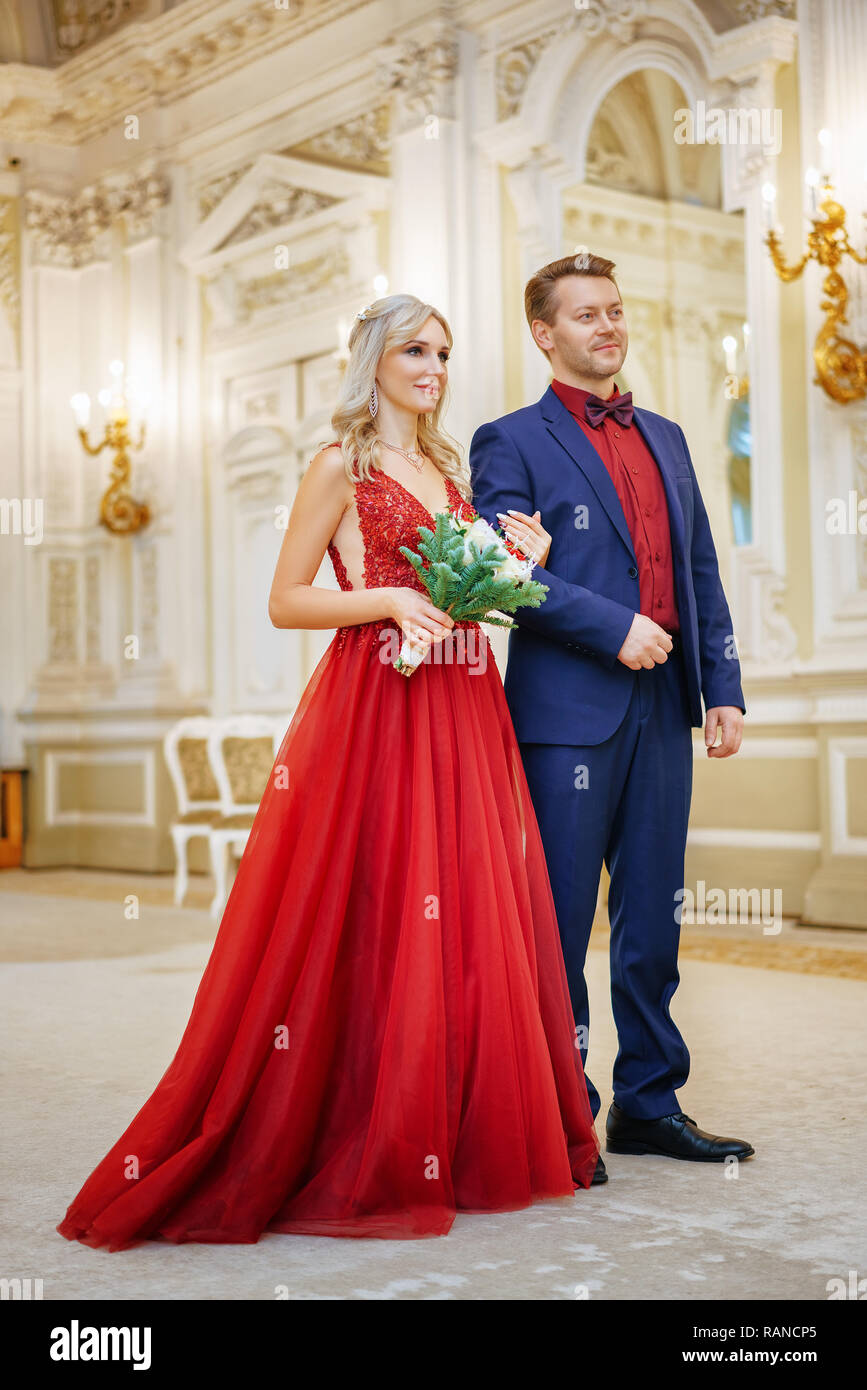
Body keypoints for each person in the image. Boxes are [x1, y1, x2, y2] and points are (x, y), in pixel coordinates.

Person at [56, 293, 602, 1253]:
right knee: (379, 904)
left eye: (441, 350)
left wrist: (518, 563)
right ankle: (365, 1128)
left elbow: (467, 593)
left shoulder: (447, 466)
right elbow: (285, 599)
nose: (432, 366)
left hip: (463, 697)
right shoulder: (335, 467)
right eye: (412, 350)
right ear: (373, 360)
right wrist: (386, 595)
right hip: (378, 703)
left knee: (468, 907)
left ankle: (451, 1130)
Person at [469, 254, 754, 1167]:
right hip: (565, 713)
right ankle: (560, 1114)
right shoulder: (505, 440)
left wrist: (723, 685)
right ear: (543, 334)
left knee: (651, 916)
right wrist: (612, 627)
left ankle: (647, 1103)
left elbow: (700, 567)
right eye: (585, 315)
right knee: (555, 921)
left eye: (615, 311)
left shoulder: (668, 436)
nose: (607, 327)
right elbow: (504, 578)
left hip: (664, 698)